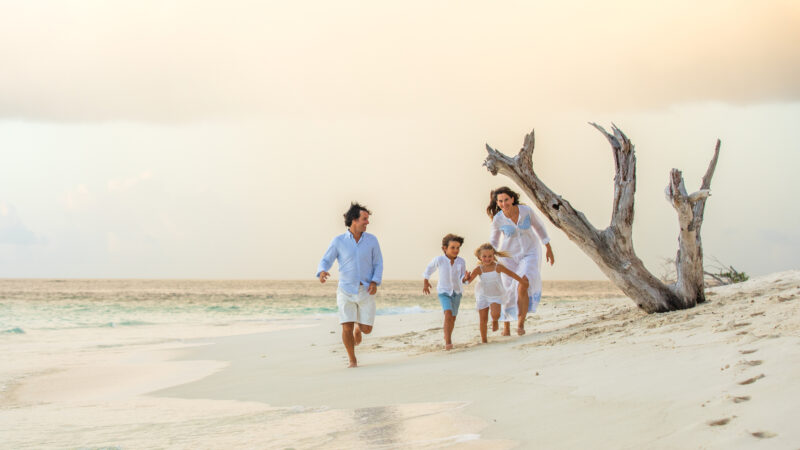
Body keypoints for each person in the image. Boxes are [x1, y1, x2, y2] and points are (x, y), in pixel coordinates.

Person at [317, 202, 383, 368]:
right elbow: (326, 259)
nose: (367, 222)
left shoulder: (372, 240)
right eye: (364, 219)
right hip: (345, 290)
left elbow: (378, 263)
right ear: (354, 220)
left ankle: (359, 329)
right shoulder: (338, 241)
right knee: (346, 325)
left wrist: (375, 281)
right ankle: (352, 360)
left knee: (367, 329)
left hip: (366, 289)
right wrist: (323, 271)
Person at [487, 186, 555, 336]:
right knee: (506, 290)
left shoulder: (526, 211)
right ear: (497, 203)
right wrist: (487, 257)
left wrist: (548, 247)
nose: (504, 203)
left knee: (523, 284)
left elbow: (539, 227)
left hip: (530, 253)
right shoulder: (498, 219)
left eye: (506, 200)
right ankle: (506, 327)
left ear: (512, 199)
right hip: (508, 257)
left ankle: (520, 323)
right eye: (500, 201)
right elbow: (494, 240)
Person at [465, 243, 529, 343]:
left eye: (490, 256)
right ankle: (484, 340)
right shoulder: (478, 269)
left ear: (493, 255)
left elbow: (511, 274)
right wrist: (465, 278)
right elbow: (467, 282)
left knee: (496, 314)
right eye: (484, 256)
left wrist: (522, 281)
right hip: (483, 295)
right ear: (480, 257)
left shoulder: (497, 267)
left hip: (496, 295)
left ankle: (495, 321)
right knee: (483, 319)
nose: (487, 258)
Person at [422, 234, 469, 350]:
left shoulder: (461, 262)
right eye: (452, 247)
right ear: (444, 248)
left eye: (458, 248)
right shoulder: (440, 260)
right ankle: (448, 342)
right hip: (444, 292)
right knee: (447, 314)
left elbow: (462, 277)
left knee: (452, 318)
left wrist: (466, 278)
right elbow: (429, 269)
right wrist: (426, 282)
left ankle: (447, 334)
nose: (456, 250)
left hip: (457, 292)